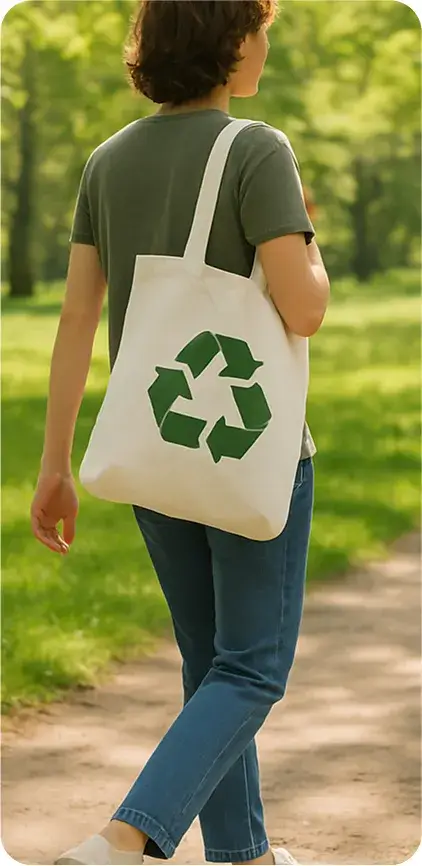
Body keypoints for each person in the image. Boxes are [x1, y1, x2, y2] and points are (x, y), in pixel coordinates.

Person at [31, 2, 330, 864]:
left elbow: (77, 319)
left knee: (211, 666)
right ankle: (128, 835)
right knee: (252, 670)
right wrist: (313, 246)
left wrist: (56, 465)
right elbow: (303, 309)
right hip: (249, 456)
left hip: (153, 453)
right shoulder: (258, 150)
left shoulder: (106, 161)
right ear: (231, 40)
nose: (266, 44)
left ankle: (243, 855)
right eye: (261, 27)